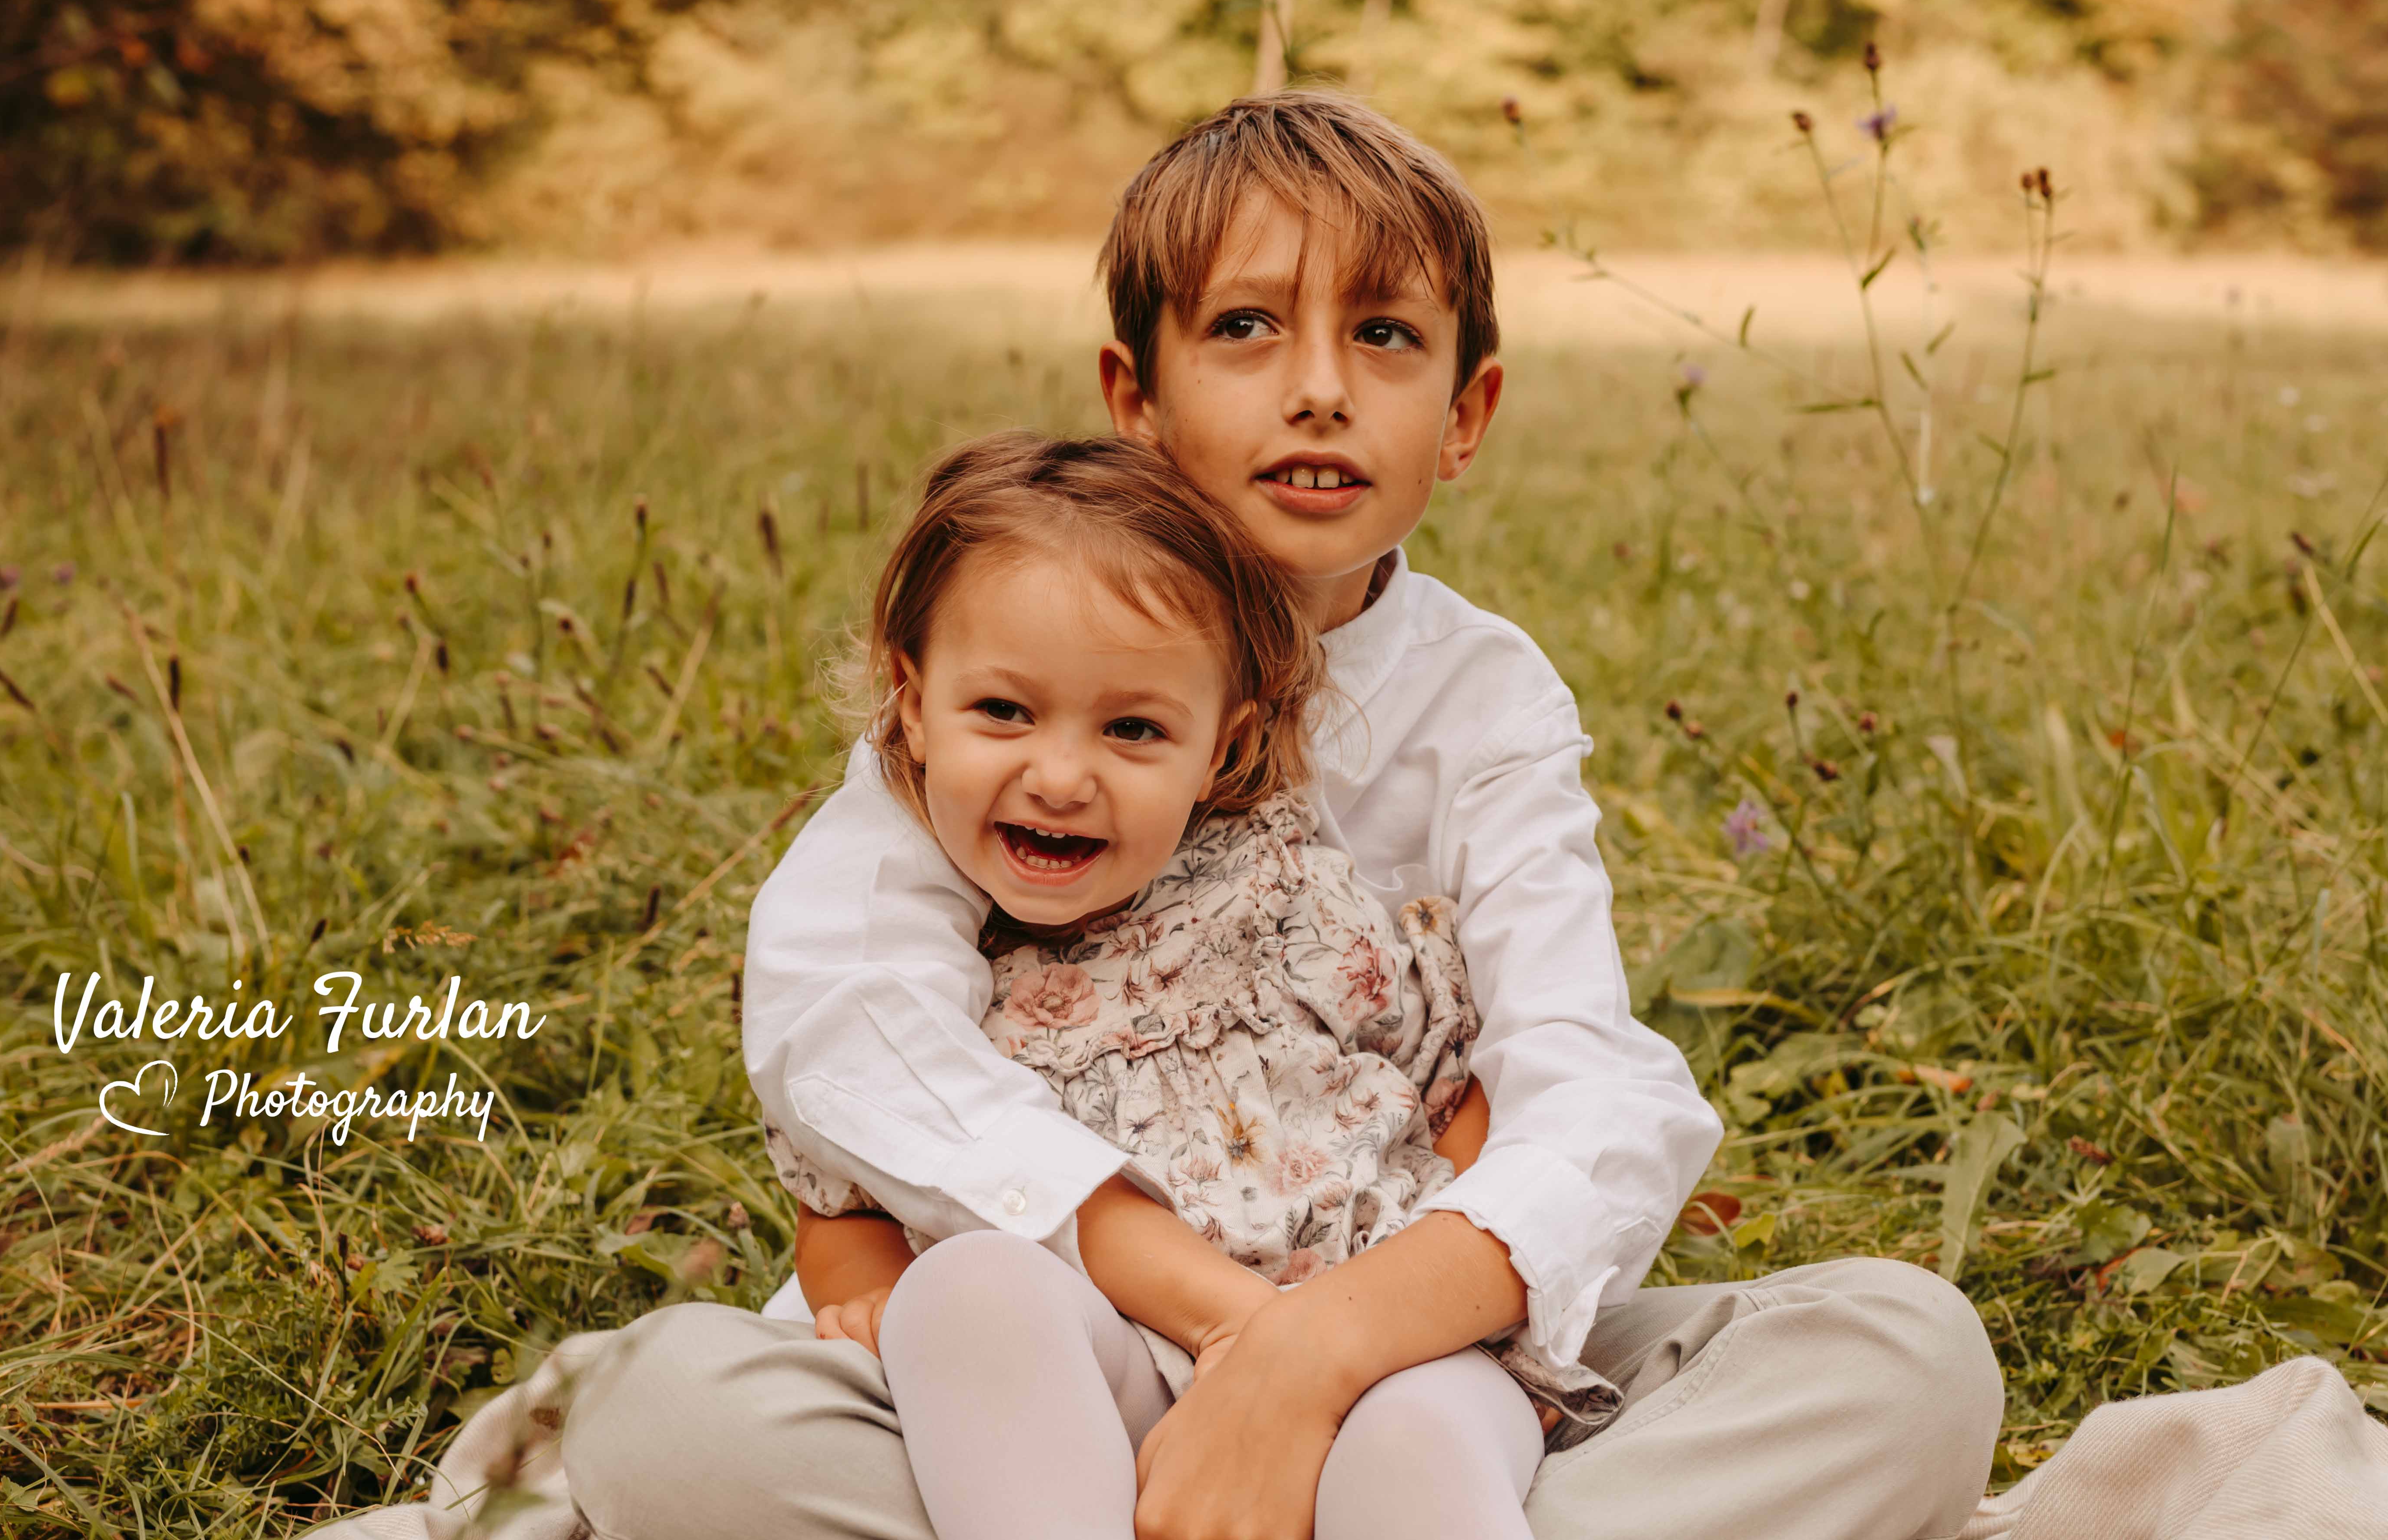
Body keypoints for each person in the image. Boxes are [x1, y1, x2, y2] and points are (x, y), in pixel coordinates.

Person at [561, 93, 2003, 1540]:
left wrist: (1311, 1358)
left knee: (1905, 1355)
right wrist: (1219, 1324)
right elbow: (856, 1019)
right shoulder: (1015, 659)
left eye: (1384, 335)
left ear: (1466, 414)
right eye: (1247, 328)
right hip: (1059, 1350)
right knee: (669, 1421)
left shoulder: (1484, 699)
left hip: (1411, 1351)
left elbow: (1583, 1078)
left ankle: (1332, 1497)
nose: (1318, 388)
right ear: (1137, 396)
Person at [771, 429, 1607, 1540]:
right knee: (967, 1292)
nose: (1061, 776)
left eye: (1131, 730)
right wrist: (873, 1293)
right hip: (1108, 1372)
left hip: (1371, 1364)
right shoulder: (923, 969)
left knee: (1415, 1451)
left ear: (1220, 748)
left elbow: (1455, 1078)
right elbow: (846, 1192)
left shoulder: (1283, 899)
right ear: (910, 704)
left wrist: (1421, 1303)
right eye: (1004, 713)